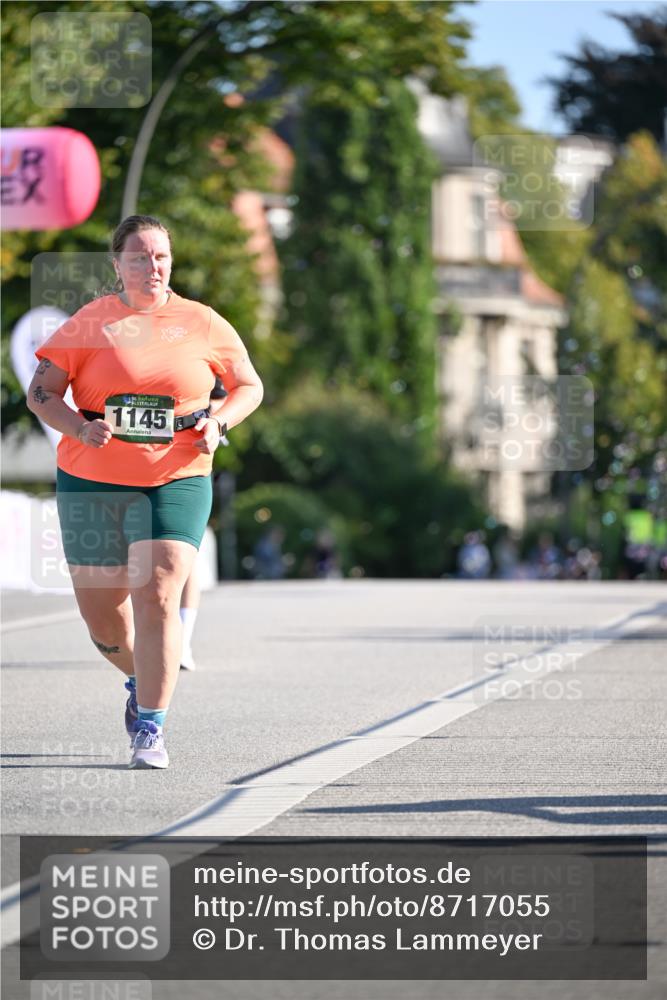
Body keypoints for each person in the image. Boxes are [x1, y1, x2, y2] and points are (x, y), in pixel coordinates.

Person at [27, 215, 263, 769]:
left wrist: (220, 422)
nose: (151, 267)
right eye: (139, 257)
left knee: (158, 591)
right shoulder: (90, 322)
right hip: (92, 480)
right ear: (117, 265)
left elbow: (249, 386)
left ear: (171, 263)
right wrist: (79, 427)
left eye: (160, 257)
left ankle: (151, 727)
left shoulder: (202, 323)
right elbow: (41, 393)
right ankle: (137, 677)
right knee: (103, 622)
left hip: (177, 475)